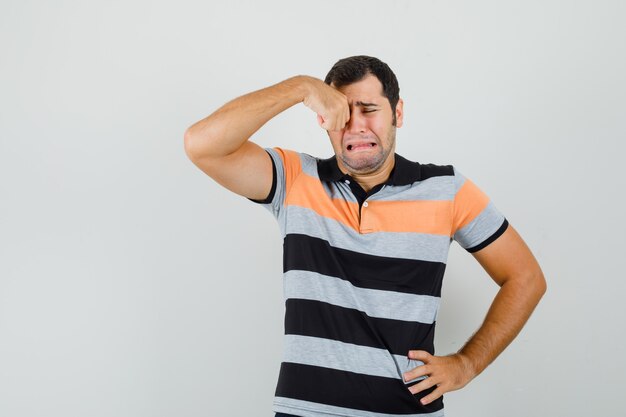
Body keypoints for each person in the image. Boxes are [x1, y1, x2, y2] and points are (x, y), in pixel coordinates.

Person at [184, 55, 546, 417]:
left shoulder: (446, 189)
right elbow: (202, 144)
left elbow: (526, 278)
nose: (355, 126)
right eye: (341, 114)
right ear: (323, 119)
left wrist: (467, 364)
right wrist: (300, 87)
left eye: (369, 109)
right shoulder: (295, 179)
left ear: (397, 113)